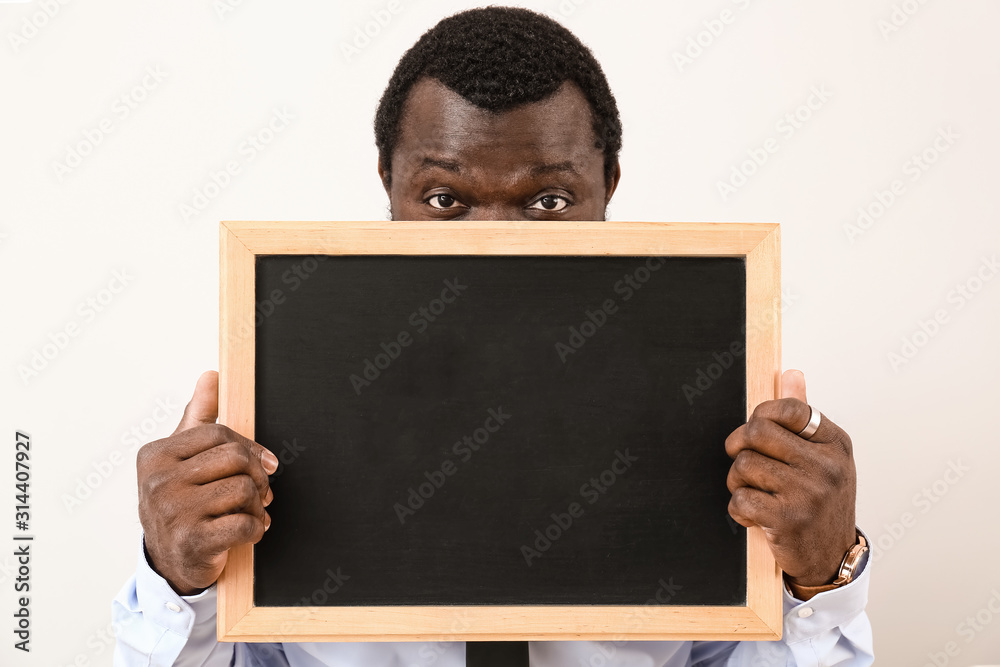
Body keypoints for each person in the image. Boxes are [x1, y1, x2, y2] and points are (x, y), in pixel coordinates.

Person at [112, 7, 873, 666]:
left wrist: (820, 576)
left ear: (608, 183)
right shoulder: (285, 393)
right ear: (389, 181)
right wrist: (178, 577)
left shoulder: (703, 395)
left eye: (548, 199)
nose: (496, 243)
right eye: (445, 197)